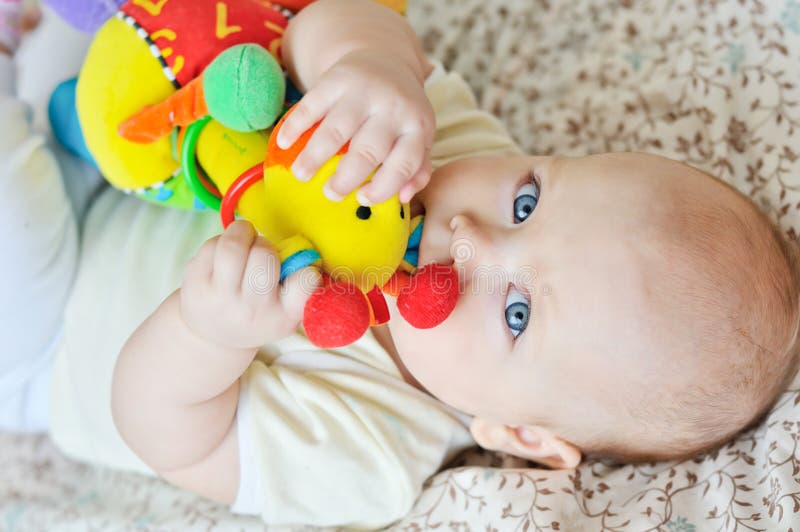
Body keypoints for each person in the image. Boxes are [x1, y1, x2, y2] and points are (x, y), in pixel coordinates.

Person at [2, 0, 799, 528]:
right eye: (528, 201)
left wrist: (207, 332)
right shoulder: (443, 147)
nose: (471, 235)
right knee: (138, 21)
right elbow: (312, 25)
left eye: (517, 313)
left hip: (52, 335)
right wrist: (369, 63)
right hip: (136, 146)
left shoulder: (373, 451)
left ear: (519, 433)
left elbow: (166, 436)